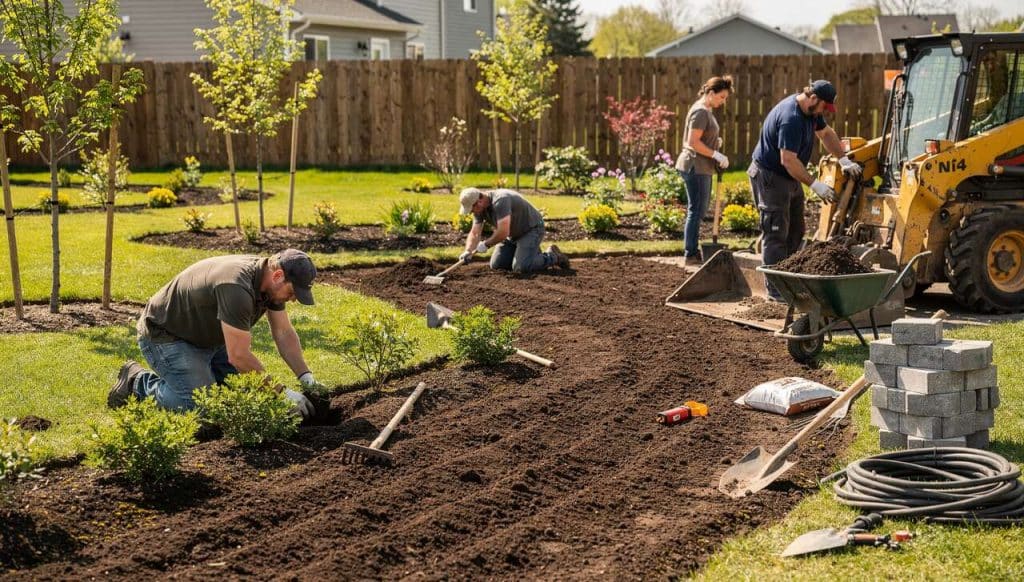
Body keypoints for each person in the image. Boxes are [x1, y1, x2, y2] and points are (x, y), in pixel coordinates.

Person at [107, 249, 319, 418]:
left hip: (211, 338)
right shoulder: (236, 287)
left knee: (244, 398)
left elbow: (283, 332)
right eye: (292, 292)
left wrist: (306, 377)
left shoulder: (268, 284)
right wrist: (280, 393)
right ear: (278, 275)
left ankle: (205, 374)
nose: (293, 299)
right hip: (168, 335)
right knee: (201, 409)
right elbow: (239, 356)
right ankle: (137, 382)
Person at [749, 80, 863, 299]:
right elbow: (788, 160)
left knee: (796, 231)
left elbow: (826, 133)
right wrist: (814, 184)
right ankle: (776, 292)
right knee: (775, 233)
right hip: (771, 176)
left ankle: (789, 280)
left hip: (788, 176)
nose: (823, 112)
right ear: (813, 98)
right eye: (823, 107)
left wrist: (844, 159)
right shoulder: (790, 118)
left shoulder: (811, 113)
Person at [676, 75, 733, 266]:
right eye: (721, 97)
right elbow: (692, 143)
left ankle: (691, 252)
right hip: (695, 166)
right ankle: (690, 254)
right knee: (696, 210)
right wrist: (716, 155)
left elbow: (702, 138)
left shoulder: (706, 110)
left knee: (699, 210)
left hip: (702, 166)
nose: (723, 102)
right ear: (710, 93)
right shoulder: (700, 112)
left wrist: (715, 143)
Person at [458, 187, 570, 273]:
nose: (472, 212)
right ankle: (530, 254)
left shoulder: (501, 200)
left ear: (479, 202)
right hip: (512, 235)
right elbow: (475, 232)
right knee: (497, 265)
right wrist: (468, 250)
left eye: (472, 209)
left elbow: (503, 232)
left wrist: (486, 244)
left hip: (531, 229)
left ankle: (553, 256)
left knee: (521, 267)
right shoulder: (479, 210)